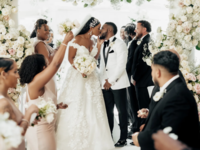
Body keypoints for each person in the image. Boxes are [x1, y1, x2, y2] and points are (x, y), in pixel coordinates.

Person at [56, 15, 115, 150]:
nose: (100, 30)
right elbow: (70, 59)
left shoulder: (94, 41)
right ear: (91, 27)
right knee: (78, 104)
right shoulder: (76, 39)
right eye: (98, 28)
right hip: (78, 76)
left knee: (94, 106)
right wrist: (80, 69)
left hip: (92, 77)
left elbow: (93, 58)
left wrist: (98, 47)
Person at [132, 51, 200, 150]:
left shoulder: (178, 95)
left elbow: (169, 133)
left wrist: (140, 138)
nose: (151, 73)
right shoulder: (171, 88)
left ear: (158, 72)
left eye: (152, 70)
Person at [19, 32, 74, 150]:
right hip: (40, 131)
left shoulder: (39, 83)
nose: (48, 64)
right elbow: (56, 64)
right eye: (46, 63)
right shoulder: (35, 82)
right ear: (42, 67)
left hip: (46, 128)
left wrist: (56, 106)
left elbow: (40, 103)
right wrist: (65, 42)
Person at [99, 22, 130, 147]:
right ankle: (109, 136)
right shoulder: (103, 44)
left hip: (118, 84)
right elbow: (102, 66)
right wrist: (103, 81)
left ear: (109, 30)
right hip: (105, 85)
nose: (101, 30)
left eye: (103, 28)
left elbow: (121, 65)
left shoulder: (120, 44)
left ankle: (123, 138)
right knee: (108, 111)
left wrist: (110, 81)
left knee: (122, 111)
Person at [0, 58, 40, 150]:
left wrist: (30, 119)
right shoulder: (3, 103)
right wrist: (28, 114)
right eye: (15, 71)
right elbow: (13, 137)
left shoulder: (6, 97)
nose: (18, 76)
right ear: (4, 74)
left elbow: (15, 125)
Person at [131, 20, 154, 114]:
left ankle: (144, 127)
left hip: (143, 81)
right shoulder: (145, 40)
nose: (135, 30)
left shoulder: (146, 42)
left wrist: (135, 77)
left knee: (143, 107)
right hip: (143, 80)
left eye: (137, 28)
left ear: (144, 29)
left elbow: (142, 64)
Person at [30, 19, 57, 95]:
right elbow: (47, 64)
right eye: (45, 30)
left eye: (49, 30)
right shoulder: (40, 44)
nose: (48, 32)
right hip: (46, 78)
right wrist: (57, 51)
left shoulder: (40, 43)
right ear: (38, 30)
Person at [125, 23, 141, 141]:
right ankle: (135, 126)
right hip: (134, 77)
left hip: (132, 77)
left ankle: (135, 127)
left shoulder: (133, 43)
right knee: (134, 103)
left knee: (133, 103)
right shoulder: (135, 42)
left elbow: (131, 60)